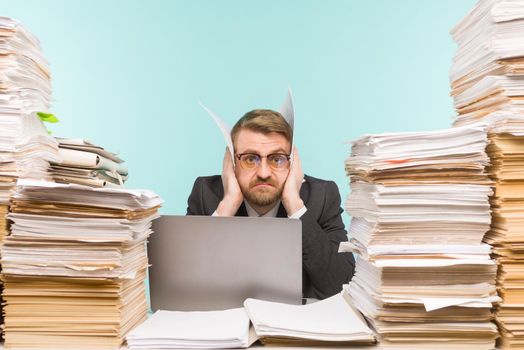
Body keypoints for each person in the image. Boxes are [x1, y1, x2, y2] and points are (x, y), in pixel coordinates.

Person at [186, 109, 355, 299]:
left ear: (293, 163)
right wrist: (227, 206)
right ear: (232, 161)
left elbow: (342, 286)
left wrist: (295, 206)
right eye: (250, 159)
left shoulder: (321, 196)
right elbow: (184, 286)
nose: (264, 173)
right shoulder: (206, 194)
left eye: (277, 159)